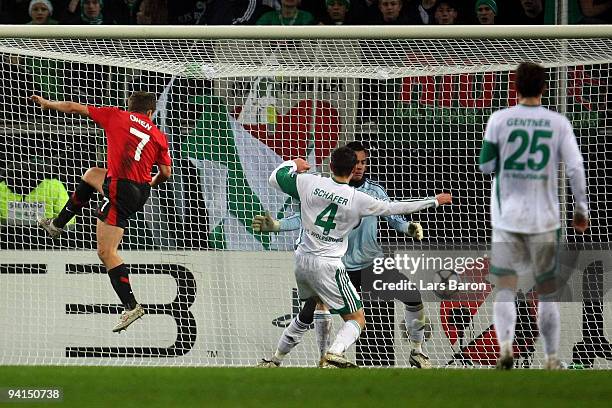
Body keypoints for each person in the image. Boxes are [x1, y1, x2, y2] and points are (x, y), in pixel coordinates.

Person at [257, 146, 451, 368]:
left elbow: (394, 216)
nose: (360, 166)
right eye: (356, 162)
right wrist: (433, 201)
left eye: (364, 162)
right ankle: (309, 358)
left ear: (333, 165)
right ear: (350, 168)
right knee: (314, 314)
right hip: (338, 265)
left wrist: (408, 227)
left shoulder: (317, 183)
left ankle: (417, 351)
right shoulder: (356, 198)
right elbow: (394, 207)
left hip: (369, 264)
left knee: (411, 295)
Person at [32, 91, 172, 333]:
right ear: (150, 112)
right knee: (91, 175)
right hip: (139, 190)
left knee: (106, 251)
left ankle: (131, 305)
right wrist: (151, 183)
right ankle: (57, 225)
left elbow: (74, 107)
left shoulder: (116, 116)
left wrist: (48, 104)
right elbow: (166, 173)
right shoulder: (159, 135)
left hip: (120, 189)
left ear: (130, 107)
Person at [479, 62, 589, 370]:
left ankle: (504, 350)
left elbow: (485, 166)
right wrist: (582, 209)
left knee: (505, 286)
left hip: (507, 219)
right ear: (544, 87)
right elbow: (575, 168)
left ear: (515, 86)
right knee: (547, 290)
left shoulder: (499, 119)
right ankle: (552, 358)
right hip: (545, 220)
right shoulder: (557, 123)